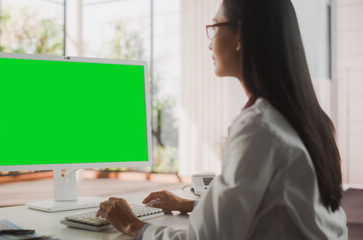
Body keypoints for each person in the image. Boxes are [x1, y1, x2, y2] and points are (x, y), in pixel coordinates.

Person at [96, 0, 348, 239]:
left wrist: (134, 225)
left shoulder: (259, 126)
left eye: (214, 27)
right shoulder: (312, 119)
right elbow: (272, 206)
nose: (209, 44)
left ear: (240, 35)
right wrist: (191, 204)